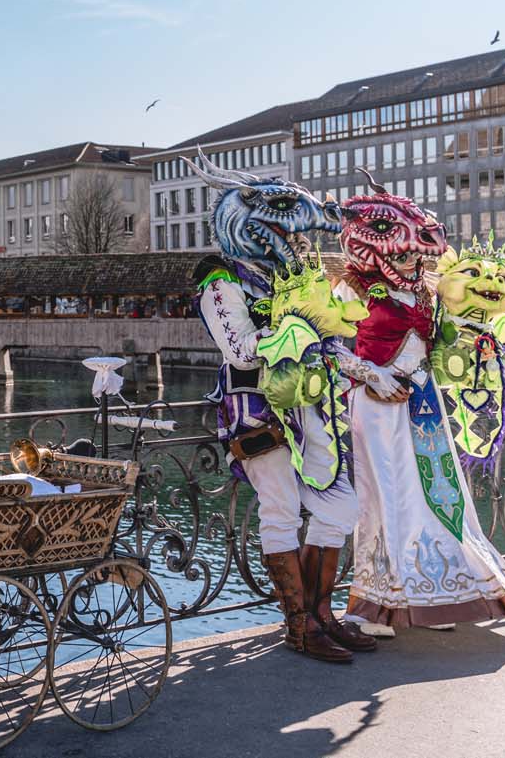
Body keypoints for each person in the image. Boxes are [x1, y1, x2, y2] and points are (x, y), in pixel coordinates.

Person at [187, 153, 374, 662]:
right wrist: (292, 329)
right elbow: (240, 351)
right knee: (282, 510)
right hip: (256, 410)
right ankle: (299, 626)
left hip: (311, 406)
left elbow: (328, 341)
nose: (299, 237)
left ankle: (322, 614)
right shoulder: (219, 277)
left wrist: (366, 369)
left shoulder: (290, 275)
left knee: (340, 507)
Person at [334, 178, 505, 634]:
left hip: (425, 401)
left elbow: (446, 340)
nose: (410, 261)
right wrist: (372, 375)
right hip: (377, 404)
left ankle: (439, 594)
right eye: (402, 254)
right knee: (385, 495)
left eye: (415, 255)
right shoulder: (354, 288)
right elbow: (327, 346)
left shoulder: (425, 290)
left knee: (437, 493)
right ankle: (379, 605)